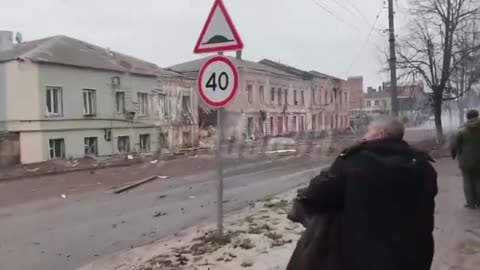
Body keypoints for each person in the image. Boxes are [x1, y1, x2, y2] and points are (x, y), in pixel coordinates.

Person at [299, 117, 438, 270]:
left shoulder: (354, 160)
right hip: (414, 254)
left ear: (381, 134)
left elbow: (319, 195)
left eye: (369, 131)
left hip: (364, 255)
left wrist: (308, 192)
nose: (365, 135)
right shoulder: (422, 164)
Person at [450, 109, 480, 209]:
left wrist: (453, 154)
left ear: (467, 117)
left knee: (467, 181)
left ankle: (471, 204)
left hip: (465, 161)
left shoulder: (461, 130)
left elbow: (454, 145)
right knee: (478, 180)